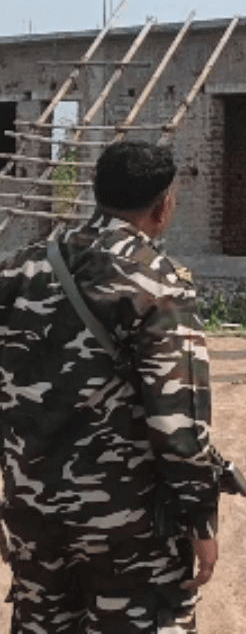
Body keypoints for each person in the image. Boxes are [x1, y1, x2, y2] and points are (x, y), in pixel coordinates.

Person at [0, 140, 225, 631]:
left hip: (32, 512)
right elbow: (179, 423)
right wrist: (201, 520)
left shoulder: (19, 267)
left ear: (95, 191)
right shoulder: (157, 282)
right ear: (163, 206)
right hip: (127, 525)